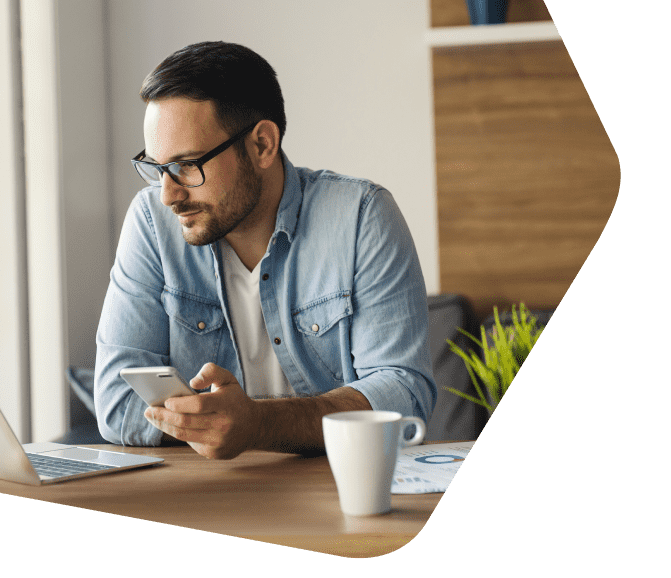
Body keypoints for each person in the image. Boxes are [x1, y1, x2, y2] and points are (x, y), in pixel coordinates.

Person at [94, 41, 435, 459]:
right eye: (157, 168)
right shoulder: (151, 223)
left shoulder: (361, 217)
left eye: (186, 165)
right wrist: (217, 426)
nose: (168, 195)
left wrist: (257, 425)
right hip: (207, 496)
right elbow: (115, 402)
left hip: (337, 488)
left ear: (262, 145)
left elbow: (404, 393)